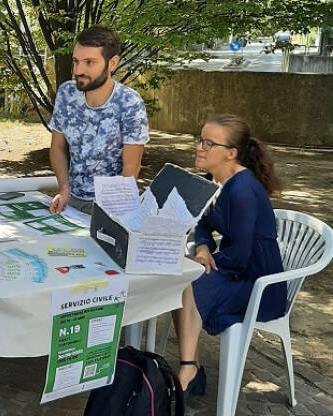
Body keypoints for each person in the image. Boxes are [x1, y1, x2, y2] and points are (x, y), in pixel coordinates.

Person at [172, 114, 286, 398]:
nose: (200, 147)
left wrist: (204, 263)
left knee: (188, 283)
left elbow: (240, 256)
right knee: (177, 282)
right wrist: (201, 248)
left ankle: (188, 370)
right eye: (200, 139)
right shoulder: (212, 182)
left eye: (209, 143)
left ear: (231, 153)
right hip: (236, 272)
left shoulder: (243, 190)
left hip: (259, 283)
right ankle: (192, 367)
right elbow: (201, 223)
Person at [48, 26, 149, 214]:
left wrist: (108, 215)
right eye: (76, 61)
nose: (79, 70)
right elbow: (57, 147)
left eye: (89, 62)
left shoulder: (129, 103)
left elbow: (131, 168)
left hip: (112, 207)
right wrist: (64, 189)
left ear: (112, 63)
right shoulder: (66, 93)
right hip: (71, 199)